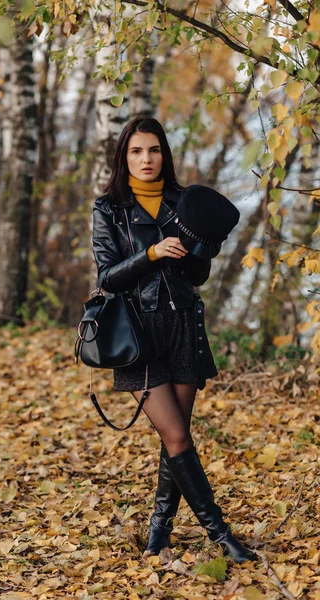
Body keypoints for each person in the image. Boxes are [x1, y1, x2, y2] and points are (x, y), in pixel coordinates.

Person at [92, 116, 257, 563]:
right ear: (124, 156)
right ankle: (222, 536)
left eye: (154, 150)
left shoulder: (185, 202)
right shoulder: (108, 209)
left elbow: (199, 275)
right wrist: (151, 252)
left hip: (183, 324)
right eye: (136, 151)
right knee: (177, 438)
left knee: (177, 437)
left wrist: (192, 247)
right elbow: (107, 278)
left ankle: (159, 530)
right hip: (136, 334)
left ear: (165, 153)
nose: (146, 159)